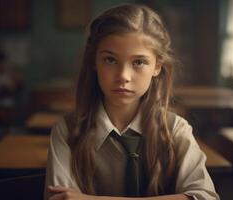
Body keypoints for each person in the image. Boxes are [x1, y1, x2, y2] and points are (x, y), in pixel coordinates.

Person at [45, 4, 219, 200]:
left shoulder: (175, 130)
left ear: (157, 67)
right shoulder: (67, 131)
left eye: (139, 62)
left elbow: (205, 197)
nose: (123, 76)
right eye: (110, 60)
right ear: (94, 62)